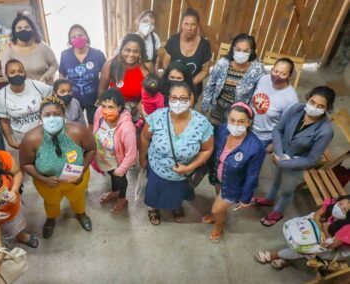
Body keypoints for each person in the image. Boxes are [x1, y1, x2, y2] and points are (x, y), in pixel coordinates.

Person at [255, 86, 335, 226]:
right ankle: (270, 199)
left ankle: (278, 212)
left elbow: (312, 159)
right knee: (275, 180)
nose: (314, 107)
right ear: (308, 98)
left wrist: (283, 163)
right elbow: (278, 130)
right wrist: (279, 154)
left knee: (287, 190)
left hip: (296, 164)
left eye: (320, 106)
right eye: (312, 102)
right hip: (279, 154)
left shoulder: (325, 131)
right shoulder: (296, 109)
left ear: (327, 108)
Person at [20, 96, 96, 238]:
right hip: (47, 183)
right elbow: (26, 163)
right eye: (47, 115)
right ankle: (51, 218)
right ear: (40, 117)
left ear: (64, 115)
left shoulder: (78, 131)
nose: (52, 118)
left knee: (78, 198)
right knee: (51, 202)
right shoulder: (31, 138)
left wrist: (82, 170)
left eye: (57, 114)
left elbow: (91, 149)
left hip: (76, 179)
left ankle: (81, 214)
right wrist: (43, 179)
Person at [140, 81, 214, 225]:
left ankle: (175, 206)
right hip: (158, 168)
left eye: (183, 98)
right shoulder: (157, 117)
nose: (178, 103)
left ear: (191, 99)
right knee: (155, 191)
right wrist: (141, 158)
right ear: (168, 98)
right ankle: (153, 208)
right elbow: (144, 137)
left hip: (183, 174)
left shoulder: (202, 123)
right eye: (174, 98)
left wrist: (190, 167)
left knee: (177, 194)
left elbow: (207, 149)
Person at [202, 103, 265, 242]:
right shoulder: (223, 130)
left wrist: (246, 198)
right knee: (218, 195)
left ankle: (218, 227)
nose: (236, 125)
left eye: (241, 121)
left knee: (216, 209)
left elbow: (252, 176)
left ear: (248, 123)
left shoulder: (255, 147)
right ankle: (217, 214)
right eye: (232, 120)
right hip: (218, 175)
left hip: (233, 185)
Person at [256, 195, 350, 269]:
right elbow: (317, 215)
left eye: (345, 210)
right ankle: (286, 257)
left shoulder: (347, 228)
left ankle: (274, 254)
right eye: (340, 203)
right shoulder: (333, 202)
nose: (339, 208)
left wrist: (324, 227)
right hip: (324, 231)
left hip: (339, 250)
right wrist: (321, 230)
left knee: (306, 250)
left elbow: (332, 245)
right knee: (303, 236)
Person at [202, 33, 264, 127]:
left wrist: (250, 114)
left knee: (229, 136)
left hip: (239, 113)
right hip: (218, 107)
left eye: (245, 51)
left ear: (251, 52)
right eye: (238, 50)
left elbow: (258, 94)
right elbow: (211, 84)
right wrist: (206, 104)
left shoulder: (257, 69)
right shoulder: (223, 63)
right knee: (212, 132)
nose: (241, 53)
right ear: (233, 49)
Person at [0, 59, 52, 159]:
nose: (17, 74)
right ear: (6, 75)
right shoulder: (1, 95)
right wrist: (10, 140)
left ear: (25, 73)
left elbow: (54, 95)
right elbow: (3, 120)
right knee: (28, 162)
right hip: (20, 136)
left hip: (42, 132)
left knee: (46, 160)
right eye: (12, 72)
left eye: (20, 71)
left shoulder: (35, 85)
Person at [92, 88, 137, 213]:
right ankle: (114, 191)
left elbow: (131, 154)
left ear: (119, 108)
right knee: (112, 175)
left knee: (120, 179)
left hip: (119, 161)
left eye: (111, 107)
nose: (106, 110)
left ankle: (122, 199)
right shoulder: (99, 113)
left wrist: (121, 169)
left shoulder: (127, 128)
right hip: (105, 158)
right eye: (103, 106)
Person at [59, 24, 106, 129]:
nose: (77, 38)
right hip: (72, 99)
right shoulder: (65, 55)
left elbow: (106, 76)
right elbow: (62, 75)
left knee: (94, 125)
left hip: (94, 98)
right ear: (70, 41)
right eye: (73, 37)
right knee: (75, 126)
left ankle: (92, 143)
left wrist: (102, 95)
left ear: (87, 36)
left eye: (80, 35)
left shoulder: (98, 55)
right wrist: (62, 95)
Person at [99, 33, 153, 123]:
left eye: (135, 51)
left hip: (137, 111)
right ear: (121, 49)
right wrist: (108, 110)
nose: (131, 54)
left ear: (141, 52)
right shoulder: (110, 64)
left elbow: (152, 91)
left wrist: (136, 110)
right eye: (127, 50)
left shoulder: (146, 66)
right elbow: (102, 91)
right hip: (113, 109)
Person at [161, 8, 211, 98]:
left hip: (193, 86)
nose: (189, 28)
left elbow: (205, 70)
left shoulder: (204, 45)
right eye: (186, 24)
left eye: (193, 24)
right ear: (182, 25)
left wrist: (189, 84)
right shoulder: (173, 40)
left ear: (198, 26)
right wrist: (173, 80)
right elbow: (165, 63)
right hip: (172, 84)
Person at [251, 58, 299, 150]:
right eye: (275, 71)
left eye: (283, 74)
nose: (277, 75)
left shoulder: (291, 99)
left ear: (289, 76)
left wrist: (274, 144)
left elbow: (288, 125)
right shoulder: (263, 79)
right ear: (272, 69)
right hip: (247, 127)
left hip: (263, 138)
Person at [1, 13, 58, 84]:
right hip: (21, 90)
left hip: (43, 87)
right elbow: (5, 74)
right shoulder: (9, 50)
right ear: (14, 31)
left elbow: (54, 65)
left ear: (32, 29)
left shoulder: (42, 46)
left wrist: (45, 77)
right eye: (19, 28)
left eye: (27, 27)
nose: (23, 30)